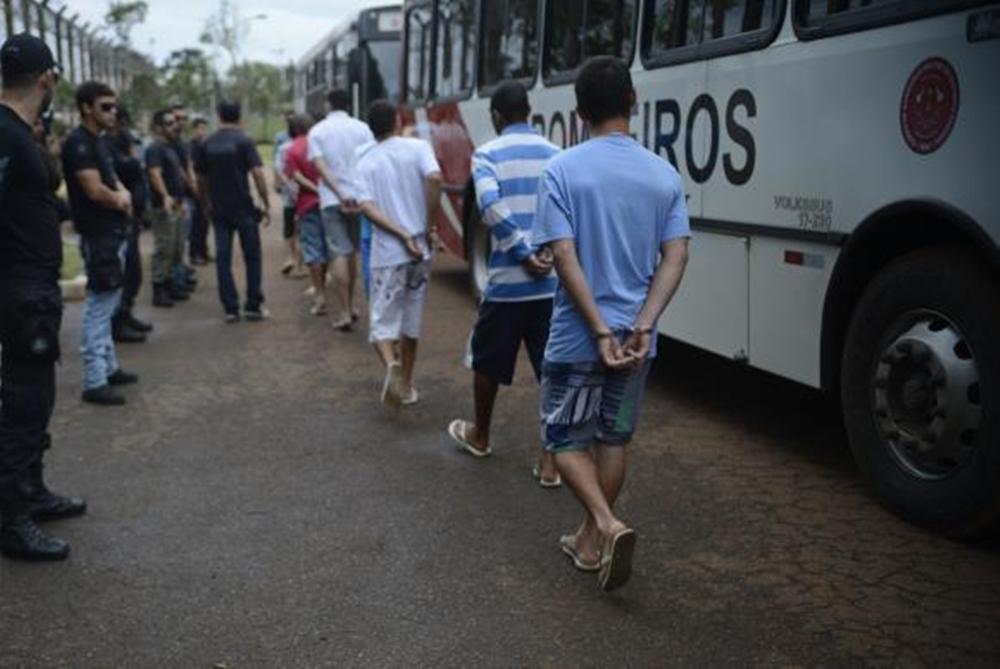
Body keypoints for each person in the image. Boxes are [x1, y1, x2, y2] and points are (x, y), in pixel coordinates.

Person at [532, 57, 690, 591]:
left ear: (579, 113)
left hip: (580, 339)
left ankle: (604, 524)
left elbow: (564, 255)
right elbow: (676, 256)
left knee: (563, 437)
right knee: (612, 439)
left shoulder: (561, 170)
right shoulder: (664, 174)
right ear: (633, 102)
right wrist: (643, 323)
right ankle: (588, 543)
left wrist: (599, 329)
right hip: (637, 342)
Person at [445, 81, 562, 486]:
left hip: (508, 284)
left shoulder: (487, 154)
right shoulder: (556, 155)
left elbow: (490, 206)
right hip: (550, 285)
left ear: (496, 116)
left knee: (487, 362)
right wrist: (544, 252)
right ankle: (550, 462)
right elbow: (565, 210)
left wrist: (522, 252)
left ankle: (480, 434)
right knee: (552, 371)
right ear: (528, 111)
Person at [0, 33, 85, 561]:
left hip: (31, 286)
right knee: (24, 402)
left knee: (38, 395)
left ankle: (30, 492)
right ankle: (11, 518)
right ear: (47, 78)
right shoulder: (6, 135)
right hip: (20, 287)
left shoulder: (18, 132)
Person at [354, 100, 442, 408]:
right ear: (396, 120)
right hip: (421, 250)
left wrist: (400, 234)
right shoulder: (417, 148)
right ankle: (406, 383)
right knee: (411, 318)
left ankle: (391, 365)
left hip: (388, 253)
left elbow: (365, 206)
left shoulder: (366, 163)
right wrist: (426, 227)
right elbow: (434, 178)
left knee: (381, 320)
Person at [62, 81, 140, 406]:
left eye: (114, 106)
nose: (113, 112)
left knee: (108, 303)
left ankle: (108, 367)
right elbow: (95, 190)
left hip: (112, 232)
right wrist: (121, 198)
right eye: (105, 106)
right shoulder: (79, 143)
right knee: (98, 305)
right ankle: (95, 379)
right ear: (86, 108)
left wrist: (122, 193)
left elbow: (111, 178)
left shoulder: (101, 141)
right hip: (99, 234)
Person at [194, 101, 271, 322]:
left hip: (219, 208)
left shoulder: (206, 142)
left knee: (223, 257)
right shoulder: (244, 141)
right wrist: (265, 203)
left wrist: (205, 202)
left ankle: (230, 307)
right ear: (239, 116)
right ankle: (253, 305)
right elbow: (257, 174)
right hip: (244, 207)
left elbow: (200, 178)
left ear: (219, 115)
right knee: (252, 257)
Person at [308, 88, 374, 331]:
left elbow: (320, 165)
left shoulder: (318, 131)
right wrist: (354, 194)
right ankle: (353, 306)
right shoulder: (362, 128)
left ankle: (345, 311)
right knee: (353, 253)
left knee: (338, 253)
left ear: (328, 105)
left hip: (331, 200)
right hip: (359, 198)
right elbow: (369, 160)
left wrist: (339, 193)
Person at [109, 105, 153, 343]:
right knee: (123, 272)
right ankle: (118, 322)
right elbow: (127, 169)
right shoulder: (105, 145)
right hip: (117, 217)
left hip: (132, 214)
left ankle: (126, 313)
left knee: (134, 272)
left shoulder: (125, 142)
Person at [284, 113, 330, 315]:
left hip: (307, 204)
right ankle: (328, 287)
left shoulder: (292, 149)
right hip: (329, 201)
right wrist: (325, 189)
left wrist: (314, 189)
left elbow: (296, 177)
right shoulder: (322, 144)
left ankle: (319, 294)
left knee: (313, 249)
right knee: (330, 247)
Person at [145, 109, 189, 307]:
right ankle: (159, 287)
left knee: (177, 247)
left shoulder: (170, 147)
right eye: (169, 123)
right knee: (164, 247)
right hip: (164, 206)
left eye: (175, 122)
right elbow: (155, 174)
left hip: (177, 203)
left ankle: (170, 284)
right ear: (158, 128)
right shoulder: (155, 148)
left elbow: (179, 174)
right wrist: (165, 196)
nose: (175, 126)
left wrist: (183, 198)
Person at [169, 103, 198, 293]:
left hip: (186, 196)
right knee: (174, 242)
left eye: (183, 119)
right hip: (174, 198)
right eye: (176, 119)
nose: (180, 123)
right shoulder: (166, 144)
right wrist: (191, 183)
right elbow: (179, 169)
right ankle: (174, 280)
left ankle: (180, 274)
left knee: (183, 240)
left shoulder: (182, 142)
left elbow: (188, 165)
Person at [274, 114, 304, 278]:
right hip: (306, 194)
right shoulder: (307, 146)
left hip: (289, 196)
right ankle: (299, 264)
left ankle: (291, 258)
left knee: (289, 229)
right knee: (303, 230)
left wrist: (285, 185)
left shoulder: (283, 148)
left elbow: (279, 169)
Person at [187, 115, 212, 265]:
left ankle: (203, 251)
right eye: (200, 128)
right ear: (195, 129)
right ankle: (195, 253)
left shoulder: (205, 145)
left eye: (205, 128)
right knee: (196, 223)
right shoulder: (191, 146)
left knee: (205, 221)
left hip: (206, 188)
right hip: (196, 187)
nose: (203, 131)